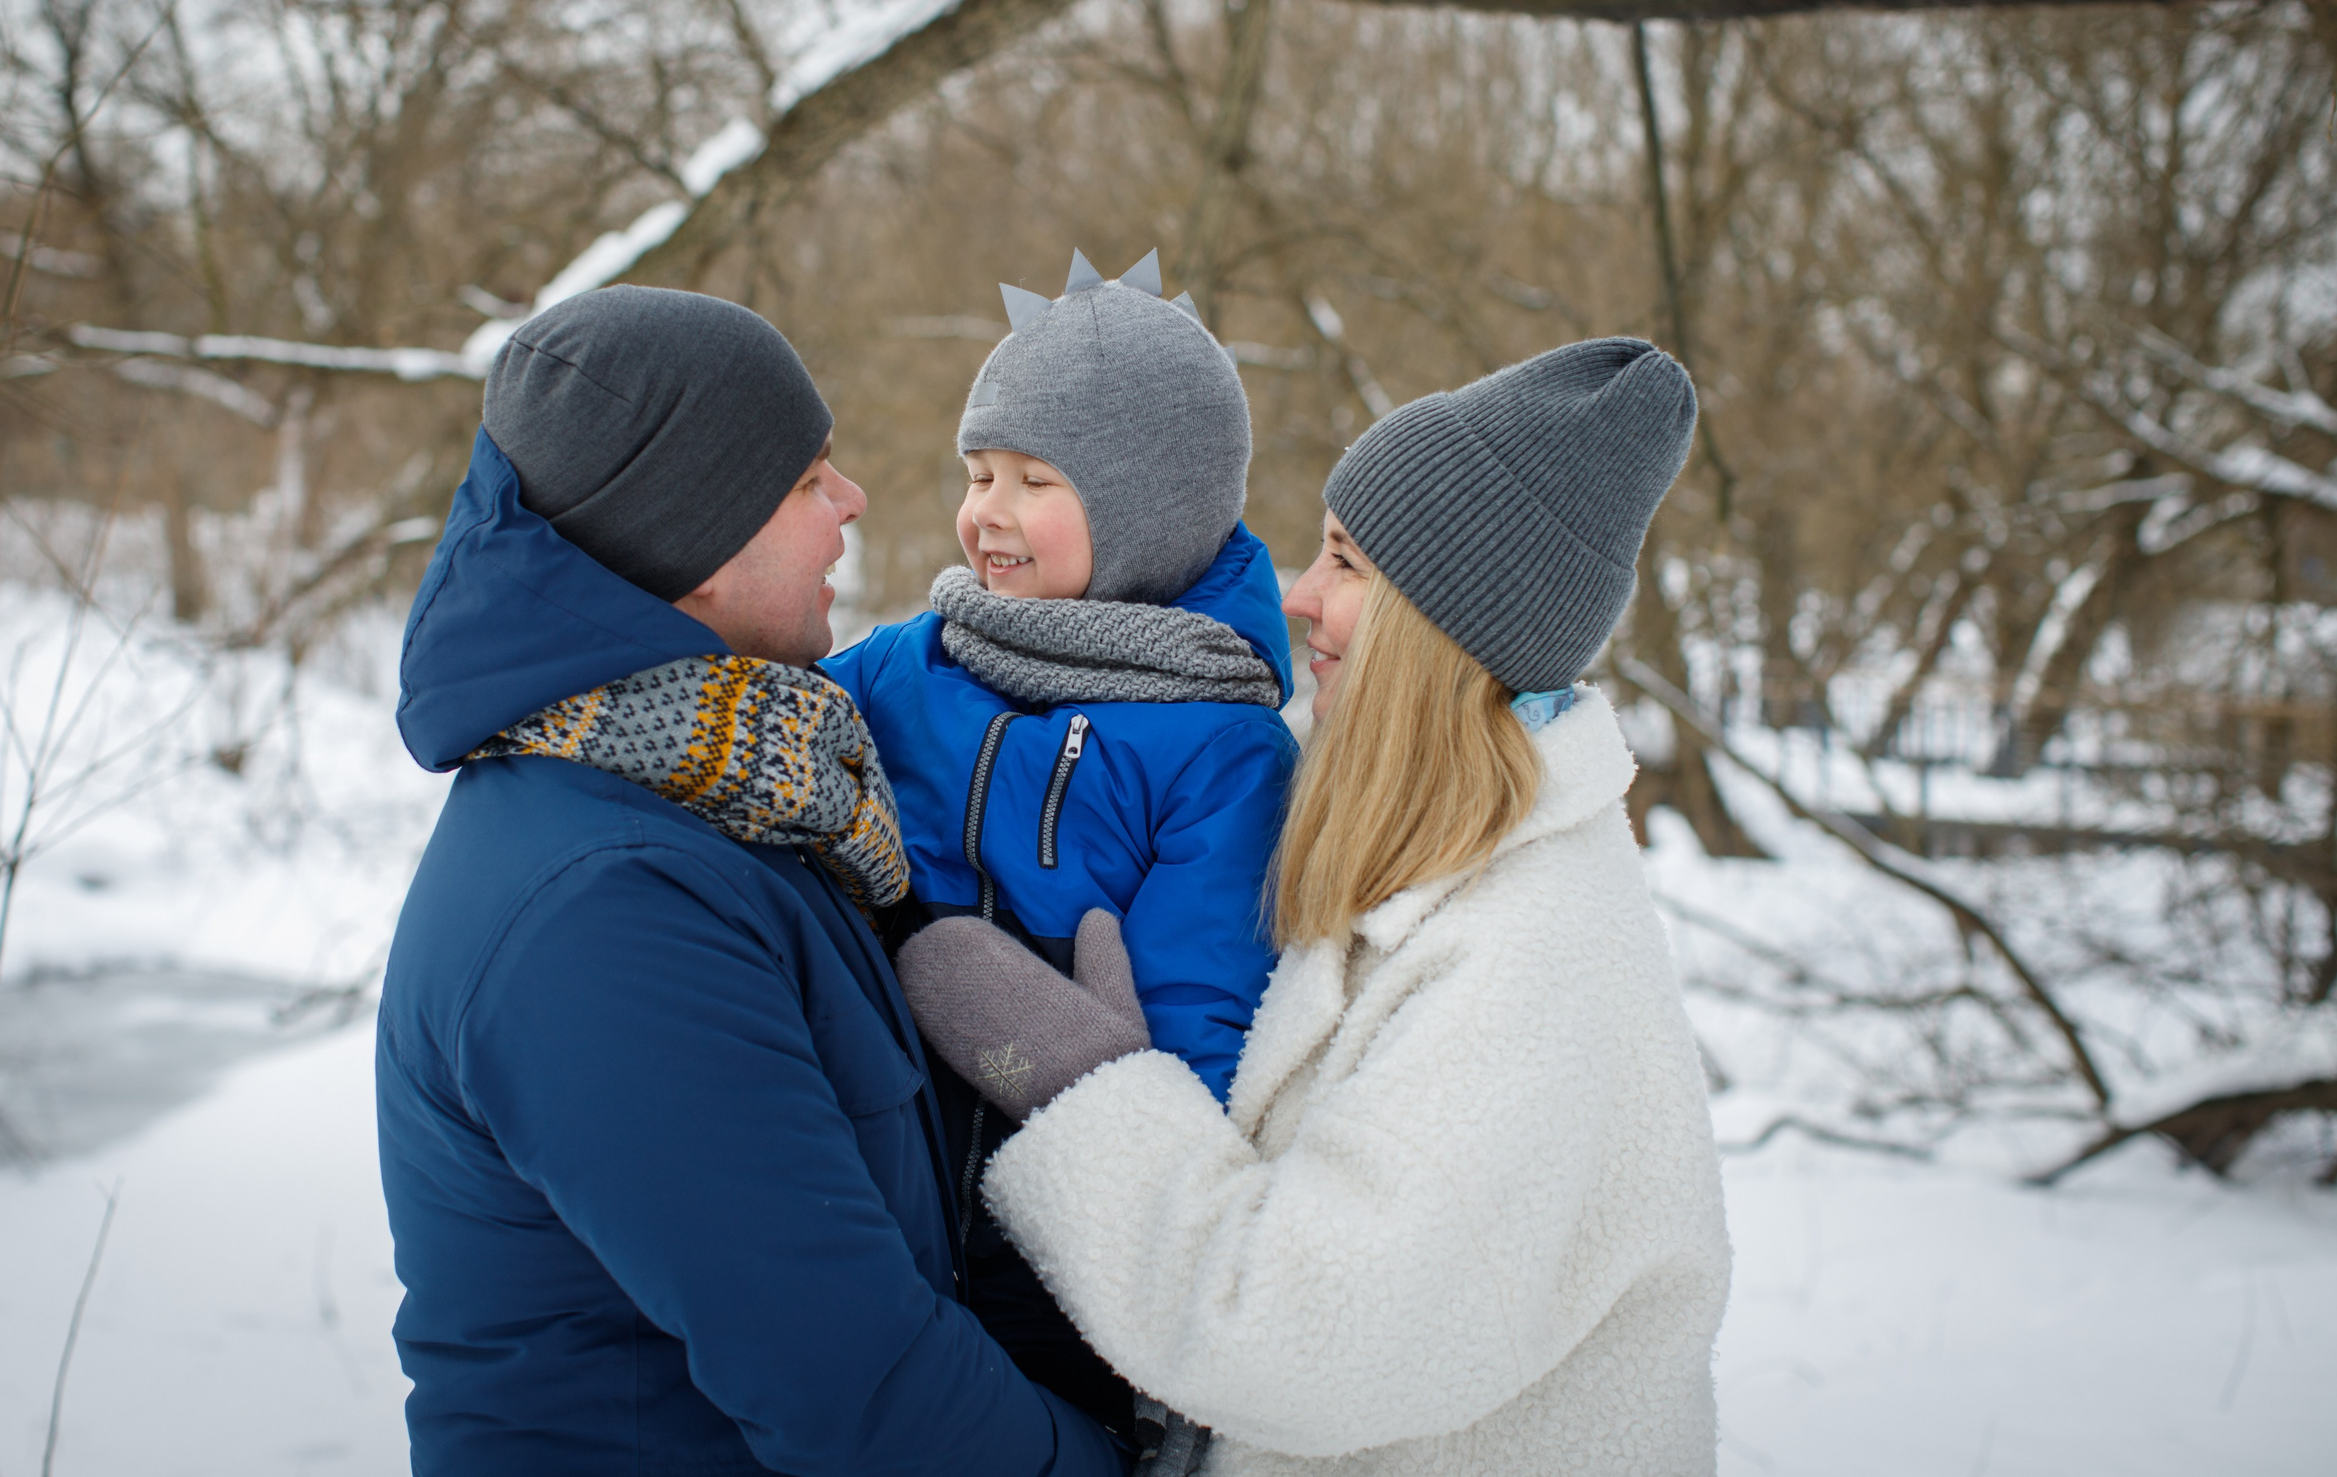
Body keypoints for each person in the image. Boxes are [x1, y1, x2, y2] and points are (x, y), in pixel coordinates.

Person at [897, 336, 1736, 1475]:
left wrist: (1079, 1090)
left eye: (1345, 563)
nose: (1298, 594)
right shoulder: (1358, 824)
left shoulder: (1534, 960)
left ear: (1442, 625)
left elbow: (1292, 1338)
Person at [376, 286, 1123, 1476]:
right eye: (803, 477)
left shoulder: (729, 802)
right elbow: (857, 1386)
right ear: (689, 527)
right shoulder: (605, 907)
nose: (851, 503)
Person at [820, 248, 1297, 1441]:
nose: (986, 513)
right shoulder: (905, 665)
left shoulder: (1214, 741)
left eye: (1035, 479)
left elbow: (1202, 1013)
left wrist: (1155, 1263)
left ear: (1150, 507)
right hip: (878, 1191)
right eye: (978, 472)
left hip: (1057, 1244)